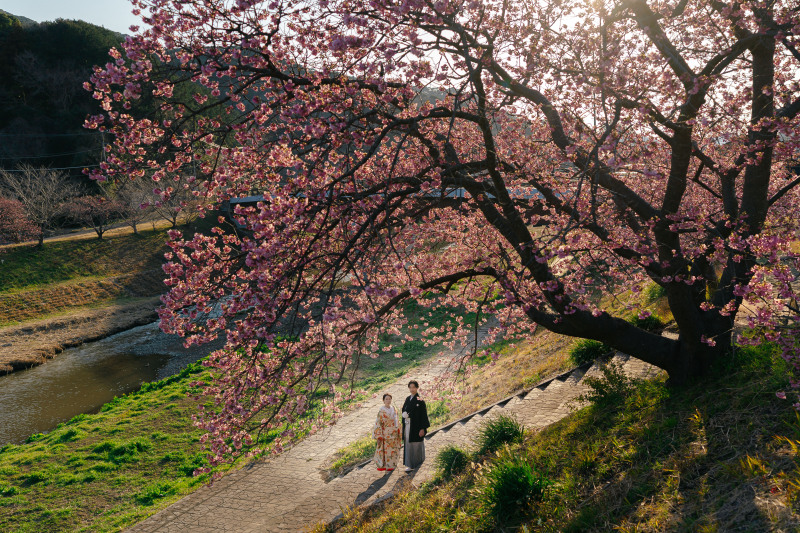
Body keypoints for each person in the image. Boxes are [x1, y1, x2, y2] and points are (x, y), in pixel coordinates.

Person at [401, 380, 430, 472]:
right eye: (410, 387)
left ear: (417, 388)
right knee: (408, 444)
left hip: (416, 426)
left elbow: (423, 415)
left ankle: (417, 463)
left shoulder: (420, 401)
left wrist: (422, 428)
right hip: (408, 425)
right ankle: (410, 464)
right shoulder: (407, 399)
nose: (412, 389)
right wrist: (404, 414)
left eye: (414, 387)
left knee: (416, 444)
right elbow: (403, 410)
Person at [372, 393, 402, 472]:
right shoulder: (381, 411)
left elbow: (397, 420)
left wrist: (399, 429)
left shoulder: (394, 409)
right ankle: (387, 466)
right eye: (386, 399)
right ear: (383, 401)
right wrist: (379, 435)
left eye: (389, 399)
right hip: (386, 433)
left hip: (394, 432)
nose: (388, 401)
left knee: (394, 449)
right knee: (387, 450)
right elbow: (378, 423)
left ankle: (393, 464)